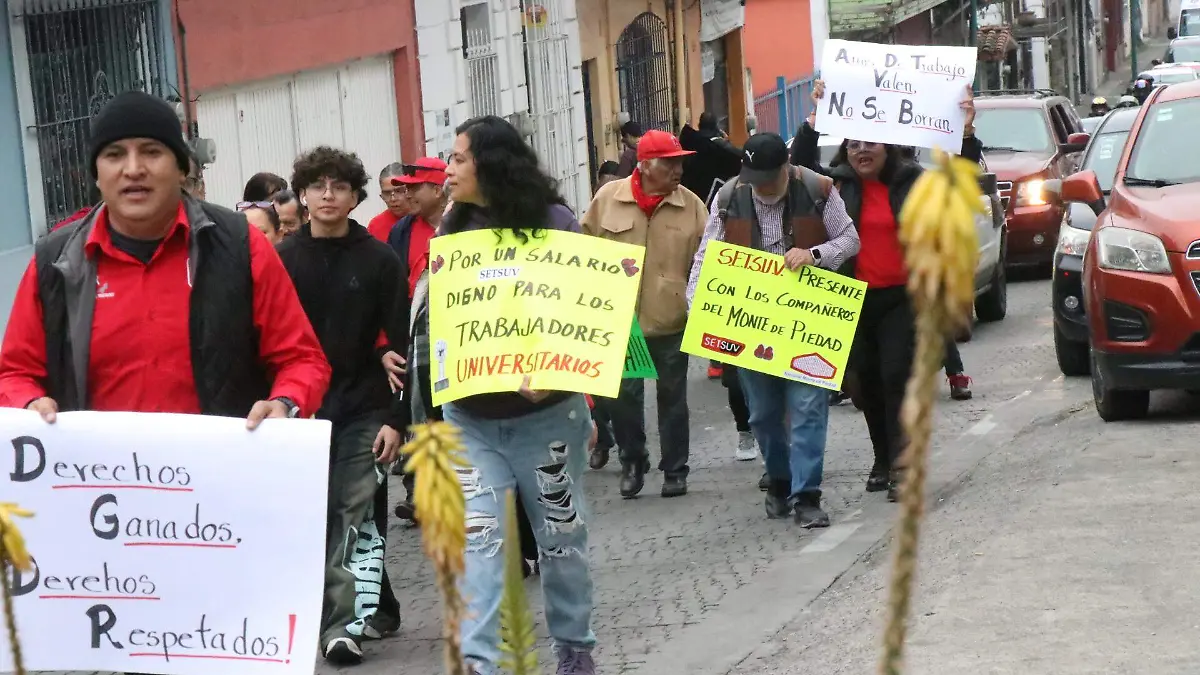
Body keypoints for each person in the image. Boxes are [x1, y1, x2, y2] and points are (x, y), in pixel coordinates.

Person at [0, 89, 330, 434]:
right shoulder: (55, 263)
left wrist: (285, 403)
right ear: (96, 175)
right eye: (114, 155)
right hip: (94, 478)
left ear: (181, 168)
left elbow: (301, 360)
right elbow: (14, 374)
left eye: (151, 152)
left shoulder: (240, 246)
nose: (133, 169)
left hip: (223, 476)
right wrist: (28, 404)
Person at [440, 114, 598, 675]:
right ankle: (481, 666)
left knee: (561, 544)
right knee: (479, 549)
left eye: (458, 158)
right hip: (470, 420)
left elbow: (589, 317)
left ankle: (575, 648)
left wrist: (561, 378)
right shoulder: (451, 229)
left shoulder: (556, 224)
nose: (448, 167)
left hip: (548, 422)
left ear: (490, 164)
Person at [795, 79, 982, 501]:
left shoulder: (914, 181)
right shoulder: (835, 186)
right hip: (852, 301)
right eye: (855, 144)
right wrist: (812, 121)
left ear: (890, 147)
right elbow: (797, 170)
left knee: (897, 377)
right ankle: (882, 457)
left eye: (872, 143)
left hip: (904, 297)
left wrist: (966, 132)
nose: (863, 151)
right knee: (864, 385)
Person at [275, 146, 409, 665]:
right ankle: (349, 606)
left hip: (365, 410)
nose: (328, 195)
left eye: (339, 187)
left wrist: (397, 420)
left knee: (351, 510)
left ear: (355, 197)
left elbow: (402, 345)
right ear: (303, 195)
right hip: (301, 412)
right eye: (317, 186)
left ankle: (340, 627)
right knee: (312, 516)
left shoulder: (379, 260)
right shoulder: (282, 260)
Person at [689, 132, 860, 527]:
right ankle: (780, 480)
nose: (761, 186)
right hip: (751, 323)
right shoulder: (730, 197)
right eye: (754, 178)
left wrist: (815, 254)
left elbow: (850, 239)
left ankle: (807, 495)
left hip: (808, 320)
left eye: (768, 177)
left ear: (786, 168)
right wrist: (698, 306)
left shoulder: (819, 189)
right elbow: (705, 257)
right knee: (763, 414)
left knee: (807, 407)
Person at [582, 129, 706, 499]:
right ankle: (633, 460)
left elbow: (706, 260)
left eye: (680, 161)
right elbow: (584, 252)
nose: (678, 169)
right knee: (621, 397)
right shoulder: (607, 199)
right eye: (670, 163)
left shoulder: (692, 206)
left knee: (673, 398)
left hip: (671, 320)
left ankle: (675, 470)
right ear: (646, 165)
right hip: (621, 323)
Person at [367, 162, 415, 241]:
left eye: (399, 191)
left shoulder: (426, 219)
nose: (393, 199)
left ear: (410, 189)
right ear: (381, 196)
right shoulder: (375, 227)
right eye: (387, 193)